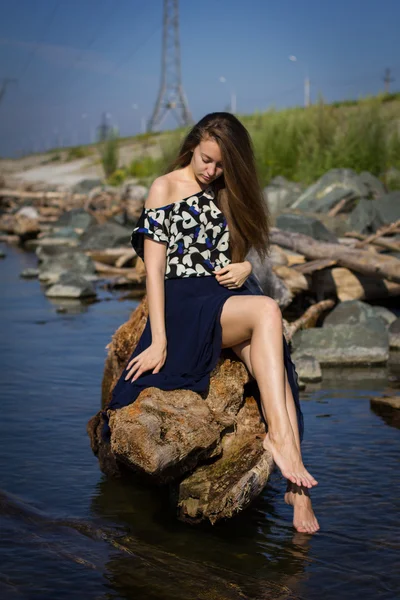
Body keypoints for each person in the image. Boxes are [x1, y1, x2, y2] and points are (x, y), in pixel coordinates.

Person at [108, 112, 319, 534]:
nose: (211, 171)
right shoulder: (163, 187)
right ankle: (282, 445)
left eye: (221, 165)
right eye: (207, 159)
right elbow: (154, 272)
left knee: (274, 373)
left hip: (227, 296)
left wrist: (243, 267)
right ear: (193, 146)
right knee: (268, 312)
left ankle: (298, 492)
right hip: (186, 302)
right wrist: (160, 340)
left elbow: (243, 252)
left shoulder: (225, 191)